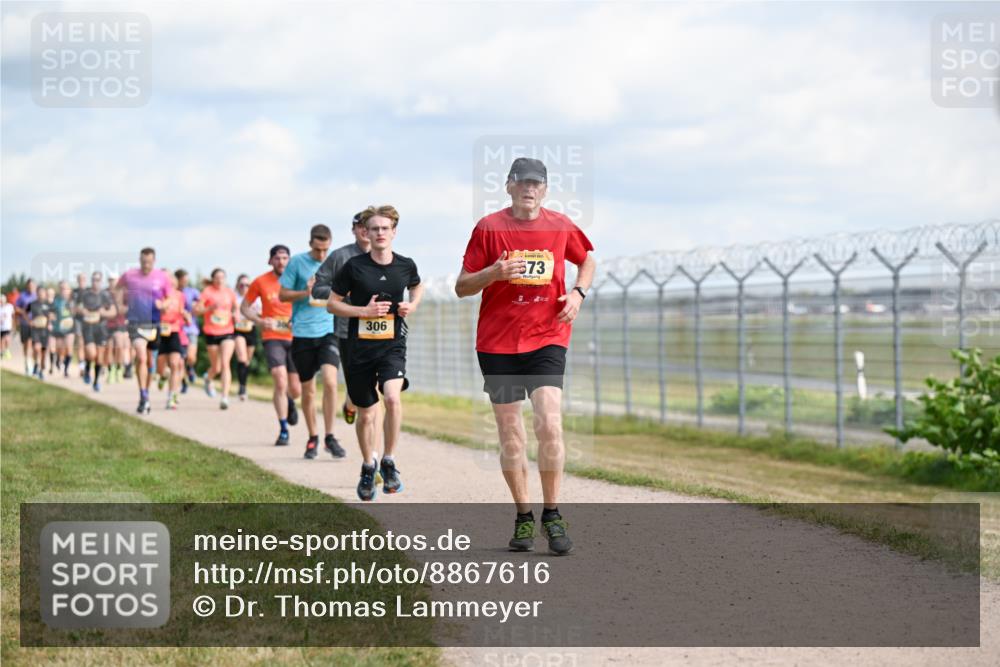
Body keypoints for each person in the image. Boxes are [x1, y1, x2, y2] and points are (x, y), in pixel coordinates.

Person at [455, 157, 595, 556]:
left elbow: (586, 259)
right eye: (522, 182)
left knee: (550, 422)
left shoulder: (560, 226)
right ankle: (523, 516)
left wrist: (578, 294)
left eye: (537, 183)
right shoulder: (488, 228)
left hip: (547, 336)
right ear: (509, 186)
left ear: (545, 190)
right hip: (498, 342)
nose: (529, 189)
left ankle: (552, 513)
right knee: (511, 433)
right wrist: (494, 274)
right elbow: (462, 286)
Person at [327, 205, 422, 501]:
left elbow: (417, 287)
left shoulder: (405, 265)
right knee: (367, 415)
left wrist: (411, 305)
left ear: (393, 232)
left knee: (392, 398)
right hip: (359, 349)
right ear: (365, 233)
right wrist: (363, 311)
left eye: (385, 228)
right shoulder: (354, 267)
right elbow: (333, 304)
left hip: (392, 345)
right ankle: (369, 465)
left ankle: (389, 460)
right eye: (374, 229)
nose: (380, 233)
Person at [279, 224, 345, 460]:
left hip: (328, 330)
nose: (321, 255)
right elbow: (282, 295)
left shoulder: (336, 263)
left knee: (329, 381)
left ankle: (330, 436)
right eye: (317, 250)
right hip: (303, 334)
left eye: (325, 249)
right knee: (307, 391)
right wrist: (305, 293)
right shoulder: (297, 263)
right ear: (310, 245)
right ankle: (313, 436)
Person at [311, 208, 374, 425]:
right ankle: (350, 403)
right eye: (361, 226)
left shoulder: (385, 256)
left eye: (370, 226)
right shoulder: (340, 256)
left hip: (379, 329)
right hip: (347, 329)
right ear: (354, 230)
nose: (366, 231)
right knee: (356, 381)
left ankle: (376, 449)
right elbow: (317, 289)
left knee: (374, 383)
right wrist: (343, 293)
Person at [242, 244, 302, 446]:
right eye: (277, 258)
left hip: (296, 337)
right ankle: (283, 428)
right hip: (272, 337)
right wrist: (259, 321)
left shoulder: (298, 281)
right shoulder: (260, 281)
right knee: (279, 378)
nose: (281, 262)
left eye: (285, 258)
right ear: (270, 261)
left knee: (295, 389)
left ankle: (290, 401)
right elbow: (244, 308)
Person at [115, 247, 170, 414]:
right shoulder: (129, 275)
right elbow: (117, 288)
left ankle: (146, 392)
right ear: (139, 260)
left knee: (150, 362)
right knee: (140, 356)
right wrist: (120, 306)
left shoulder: (162, 277)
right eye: (143, 261)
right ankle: (143, 395)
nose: (146, 264)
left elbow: (169, 297)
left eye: (149, 261)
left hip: (153, 322)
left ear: (154, 261)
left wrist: (164, 305)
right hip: (135, 321)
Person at [195, 268, 239, 409]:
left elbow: (236, 308)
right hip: (212, 333)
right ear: (213, 279)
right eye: (217, 277)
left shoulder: (229, 292)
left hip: (228, 331)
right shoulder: (207, 292)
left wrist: (236, 314)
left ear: (225, 279)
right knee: (217, 367)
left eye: (222, 277)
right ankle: (208, 378)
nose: (220, 280)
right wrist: (209, 308)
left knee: (225, 363)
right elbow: (197, 310)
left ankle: (225, 397)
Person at [155, 272, 191, 410]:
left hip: (174, 332)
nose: (170, 282)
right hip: (160, 332)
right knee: (160, 368)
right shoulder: (157, 294)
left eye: (172, 279)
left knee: (175, 364)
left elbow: (182, 311)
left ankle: (172, 396)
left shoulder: (179, 295)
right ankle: (163, 377)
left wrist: (186, 317)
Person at [78, 271, 115, 391]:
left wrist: (104, 313)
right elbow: (76, 307)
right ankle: (88, 367)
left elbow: (113, 311)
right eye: (94, 279)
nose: (96, 282)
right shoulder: (85, 294)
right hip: (88, 327)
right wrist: (83, 311)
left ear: (101, 281)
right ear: (91, 280)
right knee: (91, 353)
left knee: (99, 357)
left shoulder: (106, 295)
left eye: (98, 280)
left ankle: (96, 381)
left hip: (102, 328)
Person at [233, 274, 258, 401]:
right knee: (242, 358)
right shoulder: (234, 298)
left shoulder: (255, 299)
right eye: (242, 284)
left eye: (247, 285)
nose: (244, 287)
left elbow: (261, 313)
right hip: (237, 330)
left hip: (251, 330)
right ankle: (242, 389)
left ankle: (243, 384)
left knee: (247, 361)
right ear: (237, 285)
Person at [176, 269, 201, 391]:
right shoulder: (172, 293)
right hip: (177, 329)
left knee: (191, 357)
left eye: (187, 280)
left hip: (191, 328)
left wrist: (197, 307)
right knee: (180, 360)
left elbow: (202, 304)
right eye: (183, 280)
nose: (185, 282)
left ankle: (190, 368)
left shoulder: (192, 292)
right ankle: (183, 382)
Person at [105, 275, 131, 384]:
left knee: (119, 347)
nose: (112, 283)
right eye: (110, 281)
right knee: (109, 348)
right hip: (106, 324)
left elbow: (129, 307)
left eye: (114, 281)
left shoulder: (124, 293)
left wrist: (120, 310)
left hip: (120, 323)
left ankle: (119, 369)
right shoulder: (105, 293)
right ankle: (111, 371)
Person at [50, 281, 77, 377]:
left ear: (69, 290)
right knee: (60, 349)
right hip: (58, 328)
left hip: (70, 328)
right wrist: (51, 321)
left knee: (69, 348)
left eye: (66, 288)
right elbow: (51, 313)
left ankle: (66, 370)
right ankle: (58, 359)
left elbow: (77, 312)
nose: (64, 291)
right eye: (62, 289)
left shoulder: (73, 301)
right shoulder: (56, 301)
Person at [27, 286, 53, 379]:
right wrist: (29, 321)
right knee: (36, 348)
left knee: (43, 352)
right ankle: (36, 364)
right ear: (37, 294)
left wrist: (50, 323)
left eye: (42, 292)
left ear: (45, 294)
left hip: (45, 331)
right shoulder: (32, 304)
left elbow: (51, 315)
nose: (41, 294)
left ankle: (41, 370)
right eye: (39, 292)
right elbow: (24, 312)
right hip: (36, 330)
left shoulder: (48, 304)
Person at [14, 279, 38, 374]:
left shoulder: (37, 295)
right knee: (26, 344)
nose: (31, 287)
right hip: (25, 324)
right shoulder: (22, 296)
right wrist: (22, 312)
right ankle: (27, 363)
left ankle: (34, 364)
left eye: (33, 285)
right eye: (29, 286)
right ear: (27, 286)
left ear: (35, 286)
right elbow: (16, 308)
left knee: (34, 345)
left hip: (36, 325)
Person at [0, 293, 13, 360]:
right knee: (1, 341)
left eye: (2, 300)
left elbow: (12, 316)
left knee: (6, 339)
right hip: (1, 328)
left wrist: (13, 324)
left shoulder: (9, 307)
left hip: (7, 327)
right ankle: (2, 352)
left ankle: (7, 350)